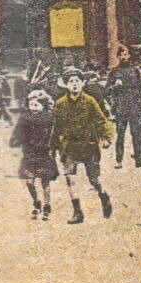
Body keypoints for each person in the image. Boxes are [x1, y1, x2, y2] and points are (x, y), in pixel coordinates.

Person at [50, 67, 114, 225]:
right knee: (70, 178)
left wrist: (107, 138)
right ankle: (77, 212)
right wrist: (52, 147)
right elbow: (56, 126)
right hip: (69, 145)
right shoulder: (60, 104)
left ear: (83, 83)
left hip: (88, 144)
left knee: (93, 179)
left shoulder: (90, 101)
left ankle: (104, 196)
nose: (74, 84)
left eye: (77, 81)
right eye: (70, 81)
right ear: (66, 84)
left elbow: (101, 120)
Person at [10, 89, 58, 220]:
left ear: (43, 105)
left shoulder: (49, 118)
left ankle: (47, 206)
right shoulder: (24, 119)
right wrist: (16, 140)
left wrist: (53, 146)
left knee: (45, 181)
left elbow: (55, 135)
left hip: (44, 153)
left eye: (36, 105)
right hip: (29, 153)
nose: (33, 108)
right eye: (31, 105)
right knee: (29, 181)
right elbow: (17, 133)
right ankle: (36, 203)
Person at [109, 47, 141, 168]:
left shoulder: (135, 71)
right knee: (120, 134)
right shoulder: (114, 72)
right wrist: (115, 87)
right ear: (118, 57)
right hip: (121, 106)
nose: (123, 57)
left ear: (129, 56)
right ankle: (119, 160)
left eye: (125, 54)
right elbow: (108, 90)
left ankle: (139, 159)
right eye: (121, 55)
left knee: (138, 133)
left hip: (135, 106)